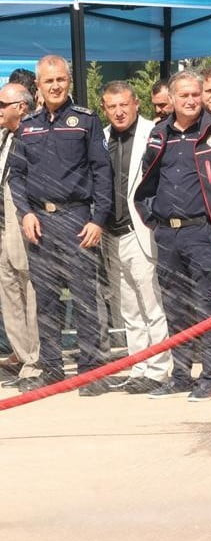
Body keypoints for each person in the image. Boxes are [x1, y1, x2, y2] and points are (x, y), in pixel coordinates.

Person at [134, 71, 211, 400]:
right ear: (171, 99)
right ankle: (182, 374)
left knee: (205, 306)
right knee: (175, 307)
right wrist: (150, 217)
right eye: (183, 96)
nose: (190, 101)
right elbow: (146, 178)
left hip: (202, 232)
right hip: (168, 235)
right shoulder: (160, 134)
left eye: (195, 95)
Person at [8, 55, 112, 393]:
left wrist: (98, 219)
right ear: (37, 85)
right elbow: (17, 177)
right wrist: (25, 213)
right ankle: (52, 372)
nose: (55, 86)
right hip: (39, 223)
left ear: (69, 82)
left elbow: (102, 172)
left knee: (84, 299)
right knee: (47, 302)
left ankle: (90, 373)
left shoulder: (85, 121)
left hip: (77, 220)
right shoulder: (27, 125)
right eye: (49, 81)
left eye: (61, 80)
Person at [100, 82, 170, 393]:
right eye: (112, 106)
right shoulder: (100, 138)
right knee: (128, 308)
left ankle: (159, 369)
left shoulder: (153, 133)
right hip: (111, 234)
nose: (118, 111)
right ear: (105, 108)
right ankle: (139, 366)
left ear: (136, 104)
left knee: (151, 303)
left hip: (141, 231)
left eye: (123, 104)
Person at [0, 82, 41, 388]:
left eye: (3, 105)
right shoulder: (4, 137)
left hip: (23, 222)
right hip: (2, 227)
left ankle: (37, 361)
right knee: (9, 294)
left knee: (30, 292)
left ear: (22, 107)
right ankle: (22, 356)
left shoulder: (34, 135)